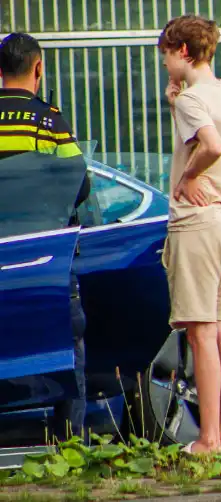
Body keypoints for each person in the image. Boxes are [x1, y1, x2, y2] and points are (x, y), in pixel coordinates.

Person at [158, 15, 221, 452]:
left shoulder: (193, 100)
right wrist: (177, 103)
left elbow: (211, 145)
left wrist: (188, 177)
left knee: (201, 333)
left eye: (167, 56)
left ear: (184, 52)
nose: (165, 65)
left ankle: (208, 439)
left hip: (196, 224)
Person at [0, 32, 90, 440]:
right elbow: (81, 183)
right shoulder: (47, 118)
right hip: (40, 256)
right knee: (66, 342)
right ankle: (69, 440)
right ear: (38, 69)